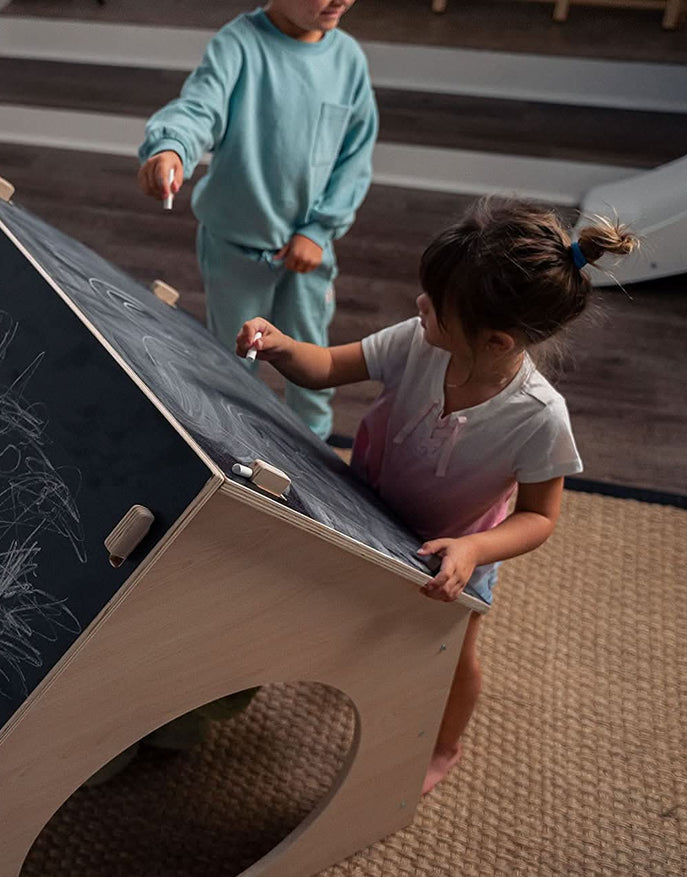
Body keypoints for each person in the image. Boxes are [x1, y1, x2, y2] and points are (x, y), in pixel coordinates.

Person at [235, 197, 638, 793]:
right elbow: (325, 366)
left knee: (453, 655)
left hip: (455, 548)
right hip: (369, 505)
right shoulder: (417, 342)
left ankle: (445, 746)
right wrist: (280, 347)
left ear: (497, 341)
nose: (420, 304)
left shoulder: (540, 418)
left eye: (438, 306)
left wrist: (474, 552)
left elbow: (538, 517)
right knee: (347, 600)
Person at [137, 0, 377, 442]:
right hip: (235, 248)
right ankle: (232, 448)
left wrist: (319, 229)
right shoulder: (238, 45)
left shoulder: (348, 61)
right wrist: (171, 147)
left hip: (308, 254)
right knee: (232, 362)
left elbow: (354, 158)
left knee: (310, 353)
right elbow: (199, 109)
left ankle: (315, 445)